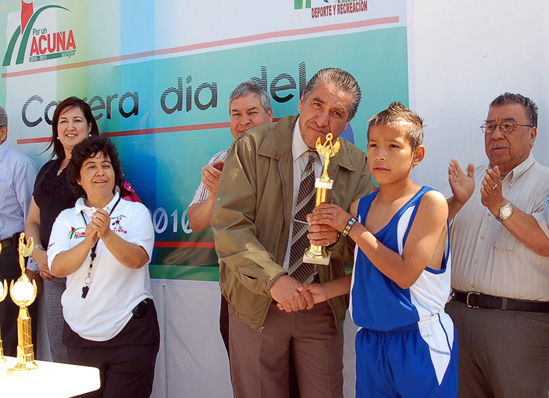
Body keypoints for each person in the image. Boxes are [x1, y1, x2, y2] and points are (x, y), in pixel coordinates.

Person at [212, 68, 373, 398]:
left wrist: (339, 239)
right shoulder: (251, 147)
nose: (323, 119)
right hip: (257, 301)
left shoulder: (357, 165)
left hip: (319, 304)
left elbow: (365, 246)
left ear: (346, 123)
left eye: (337, 113)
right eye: (317, 104)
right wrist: (274, 280)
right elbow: (230, 225)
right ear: (301, 102)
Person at [303, 102, 457, 397]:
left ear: (417, 154)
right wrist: (325, 292)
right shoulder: (361, 206)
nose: (380, 154)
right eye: (373, 145)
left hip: (419, 342)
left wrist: (350, 228)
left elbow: (403, 274)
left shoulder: (430, 202)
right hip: (371, 342)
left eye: (393, 146)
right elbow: (371, 273)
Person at [446, 93, 549, 397]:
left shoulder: (545, 182)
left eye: (508, 125)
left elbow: (545, 242)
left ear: (532, 134)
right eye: (489, 127)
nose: (496, 134)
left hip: (519, 328)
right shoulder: (469, 182)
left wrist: (498, 205)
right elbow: (430, 240)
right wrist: (455, 201)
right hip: (458, 317)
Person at [48, 136, 159, 398]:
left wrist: (107, 234)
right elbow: (57, 267)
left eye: (106, 165)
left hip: (130, 334)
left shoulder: (136, 212)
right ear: (78, 178)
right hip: (79, 335)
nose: (100, 172)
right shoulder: (66, 219)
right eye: (91, 166)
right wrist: (87, 242)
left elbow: (138, 259)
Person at [188, 80, 273, 358]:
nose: (244, 121)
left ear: (269, 117)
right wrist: (215, 196)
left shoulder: (287, 159)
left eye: (252, 112)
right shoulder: (220, 160)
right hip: (237, 287)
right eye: (236, 114)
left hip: (280, 283)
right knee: (248, 378)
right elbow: (196, 222)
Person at [25, 96, 100, 362]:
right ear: (56, 129)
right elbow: (32, 220)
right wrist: (39, 254)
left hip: (85, 273)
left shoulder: (97, 168)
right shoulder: (47, 169)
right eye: (63, 121)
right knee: (61, 352)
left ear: (89, 126)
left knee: (87, 354)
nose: (70, 127)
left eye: (77, 120)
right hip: (51, 275)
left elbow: (103, 218)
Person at [0, 105, 39, 356]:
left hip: (13, 258)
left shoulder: (19, 165)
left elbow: (33, 218)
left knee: (12, 335)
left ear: (2, 133)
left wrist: (33, 264)